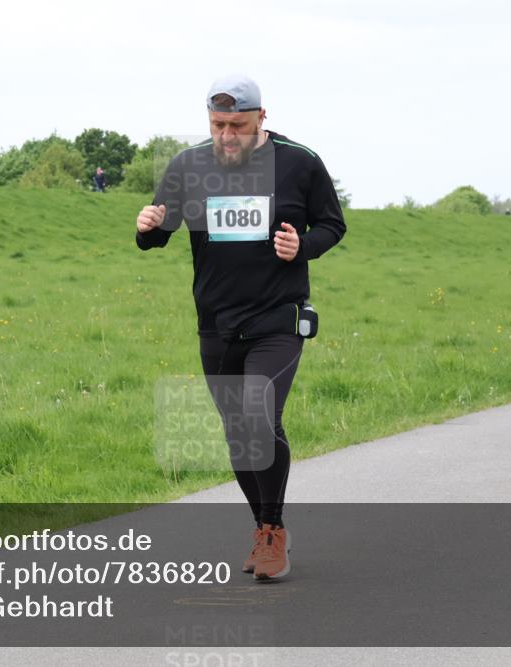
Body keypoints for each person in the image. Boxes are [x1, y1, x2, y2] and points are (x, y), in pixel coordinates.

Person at [134, 74, 346, 580]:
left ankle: (272, 531)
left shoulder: (300, 162)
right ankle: (263, 526)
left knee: (257, 413)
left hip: (278, 318)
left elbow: (332, 224)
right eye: (218, 125)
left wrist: (304, 246)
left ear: (262, 118)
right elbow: (158, 234)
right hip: (216, 322)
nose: (227, 136)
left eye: (238, 125)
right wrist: (145, 227)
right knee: (238, 435)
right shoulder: (189, 165)